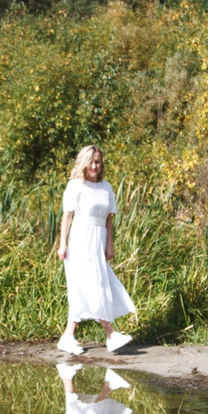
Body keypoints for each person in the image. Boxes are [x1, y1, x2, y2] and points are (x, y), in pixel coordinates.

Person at [54, 145, 135, 355]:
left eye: (97, 162)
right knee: (90, 286)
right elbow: (67, 217)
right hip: (80, 239)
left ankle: (68, 336)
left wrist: (110, 244)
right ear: (83, 162)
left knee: (97, 284)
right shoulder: (75, 186)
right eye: (90, 161)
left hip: (99, 240)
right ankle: (110, 334)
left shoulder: (106, 187)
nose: (94, 166)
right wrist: (62, 244)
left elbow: (109, 219)